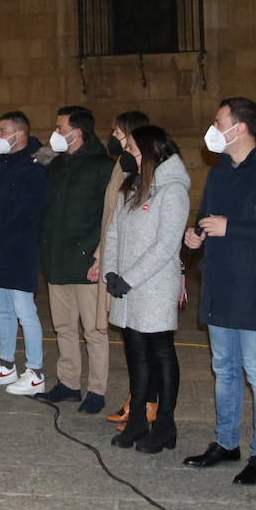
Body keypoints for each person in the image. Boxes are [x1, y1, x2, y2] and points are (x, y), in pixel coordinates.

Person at [182, 97, 256, 485]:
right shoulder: (219, 172)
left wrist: (233, 228)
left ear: (240, 127)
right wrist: (195, 234)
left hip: (252, 285)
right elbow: (205, 215)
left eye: (219, 122)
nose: (213, 129)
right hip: (219, 282)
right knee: (223, 368)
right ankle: (226, 441)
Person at [89, 125, 191, 452]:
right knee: (135, 351)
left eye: (132, 148)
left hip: (154, 286)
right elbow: (114, 232)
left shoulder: (173, 190)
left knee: (160, 351)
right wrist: (110, 273)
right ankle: (137, 418)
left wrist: (128, 278)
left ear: (149, 151)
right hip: (126, 287)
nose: (127, 154)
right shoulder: (131, 187)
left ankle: (165, 423)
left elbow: (165, 245)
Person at [35, 106, 115, 413]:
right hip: (57, 259)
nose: (55, 133)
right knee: (64, 326)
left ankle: (97, 389)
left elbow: (108, 215)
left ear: (77, 131)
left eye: (60, 127)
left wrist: (98, 254)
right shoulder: (57, 164)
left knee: (94, 330)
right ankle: (68, 384)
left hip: (86, 261)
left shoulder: (101, 166)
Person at [0, 110, 50, 395]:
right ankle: (6, 364)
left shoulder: (36, 164)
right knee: (1, 309)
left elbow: (29, 212)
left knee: (24, 310)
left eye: (3, 131)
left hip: (17, 250)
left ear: (20, 134)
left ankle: (36, 372)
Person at [96, 111, 158, 429]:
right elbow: (111, 215)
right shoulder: (122, 165)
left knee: (144, 342)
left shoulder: (140, 170)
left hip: (134, 267)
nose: (112, 136)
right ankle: (137, 399)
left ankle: (146, 402)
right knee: (132, 340)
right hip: (114, 258)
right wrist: (101, 256)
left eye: (118, 132)